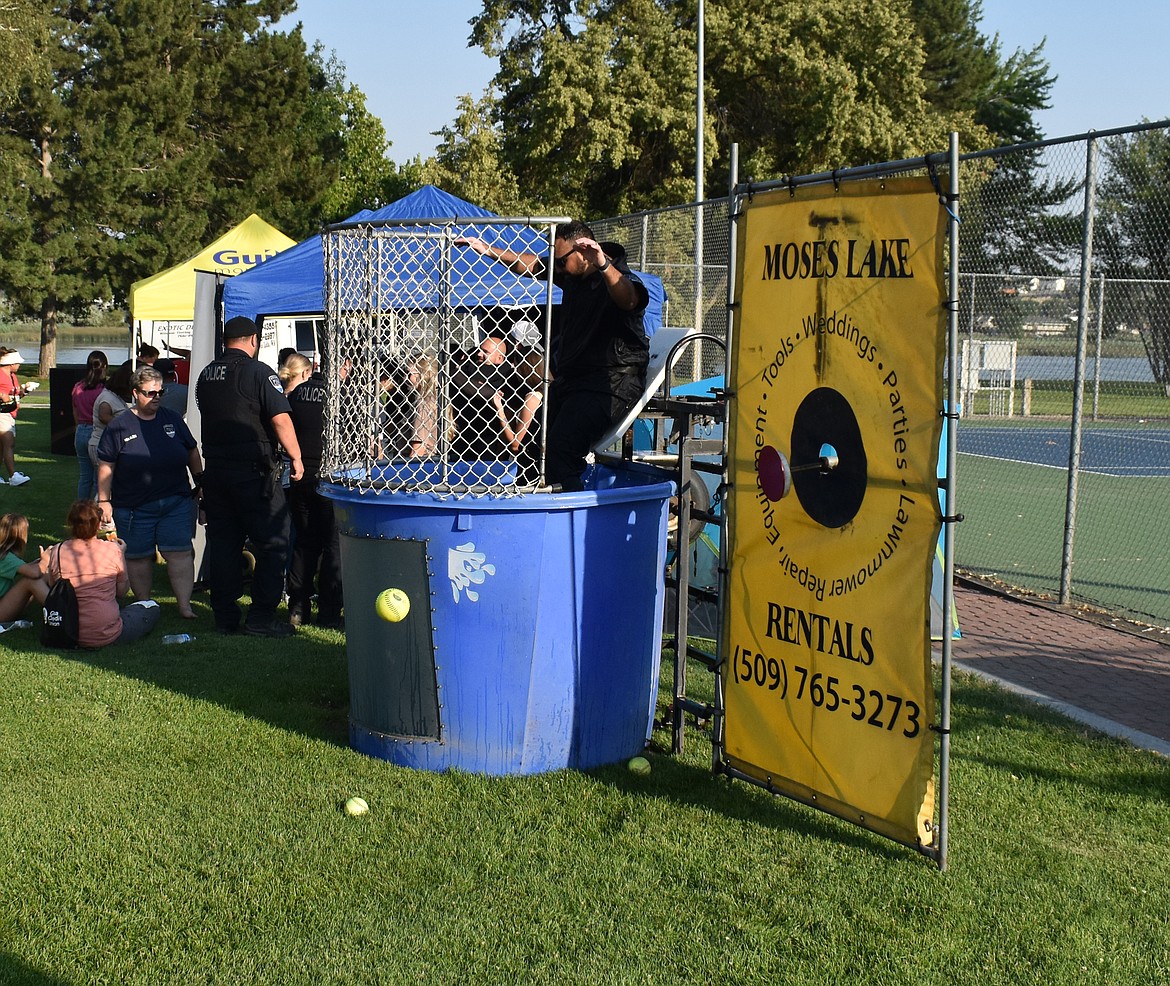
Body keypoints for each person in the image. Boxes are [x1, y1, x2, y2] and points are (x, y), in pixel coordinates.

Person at [455, 221, 649, 490]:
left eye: (560, 261)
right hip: (575, 383)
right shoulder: (573, 274)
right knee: (531, 448)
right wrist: (487, 250)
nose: (555, 267)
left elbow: (629, 300)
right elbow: (532, 265)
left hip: (611, 384)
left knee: (560, 451)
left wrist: (604, 265)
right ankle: (529, 501)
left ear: (583, 253)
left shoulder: (620, 278)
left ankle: (568, 516)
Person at [195, 315, 303, 637]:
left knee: (225, 545)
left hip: (216, 471)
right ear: (253, 341)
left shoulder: (206, 375)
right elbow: (280, 418)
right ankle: (260, 618)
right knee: (272, 544)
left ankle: (225, 618)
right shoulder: (259, 372)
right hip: (254, 475)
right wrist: (296, 457)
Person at [96, 366, 203, 620]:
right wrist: (104, 499)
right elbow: (106, 465)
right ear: (135, 393)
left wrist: (200, 481)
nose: (156, 398)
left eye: (160, 392)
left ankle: (184, 606)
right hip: (133, 506)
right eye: (149, 393)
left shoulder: (172, 418)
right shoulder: (120, 425)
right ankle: (144, 604)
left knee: (180, 552)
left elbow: (191, 451)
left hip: (175, 501)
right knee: (138, 556)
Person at [36, 499, 161, 648]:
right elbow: (122, 591)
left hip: (66, 628)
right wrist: (121, 556)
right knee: (150, 606)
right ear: (98, 524)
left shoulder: (58, 550)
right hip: (107, 633)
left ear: (71, 524)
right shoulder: (112, 550)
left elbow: (53, 586)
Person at [282, 353, 343, 629]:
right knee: (333, 545)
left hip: (301, 473)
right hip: (331, 476)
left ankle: (298, 606)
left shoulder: (295, 395)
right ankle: (329, 610)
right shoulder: (342, 396)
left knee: (304, 542)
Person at [71, 351, 108, 499]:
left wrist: (78, 426)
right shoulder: (103, 390)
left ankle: (81, 510)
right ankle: (93, 511)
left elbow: (74, 410)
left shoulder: (78, 387)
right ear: (104, 366)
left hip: (80, 430)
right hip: (97, 432)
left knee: (84, 476)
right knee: (98, 477)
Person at [0, 514, 49, 622]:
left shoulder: (3, 555)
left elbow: (26, 569)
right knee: (31, 581)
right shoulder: (5, 558)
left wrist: (39, 562)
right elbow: (35, 573)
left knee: (43, 574)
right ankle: (60, 610)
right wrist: (45, 560)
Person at [88, 363, 133, 477]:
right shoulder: (107, 398)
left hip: (108, 444)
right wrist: (126, 424)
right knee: (106, 482)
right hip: (101, 445)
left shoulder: (114, 396)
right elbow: (103, 416)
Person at [0, 349, 34, 487]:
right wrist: (2, 394)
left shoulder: (13, 376)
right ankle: (13, 475)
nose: (19, 365)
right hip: (2, 413)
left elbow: (16, 394)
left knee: (2, 447)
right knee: (9, 443)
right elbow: (4, 393)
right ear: (10, 363)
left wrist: (25, 391)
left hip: (11, 413)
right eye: (17, 363)